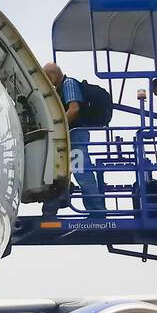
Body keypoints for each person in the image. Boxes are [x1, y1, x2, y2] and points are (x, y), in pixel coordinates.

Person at [41, 62, 106, 216]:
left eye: (47, 78)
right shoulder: (61, 88)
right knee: (60, 169)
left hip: (75, 134)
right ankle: (55, 203)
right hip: (71, 134)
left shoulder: (68, 84)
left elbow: (74, 109)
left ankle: (97, 210)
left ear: (53, 75)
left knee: (81, 170)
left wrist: (59, 126)